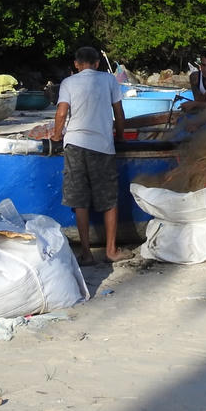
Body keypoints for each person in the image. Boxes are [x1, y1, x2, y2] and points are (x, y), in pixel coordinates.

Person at [52, 46, 131, 265]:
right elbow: (119, 112)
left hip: (75, 144)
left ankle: (86, 253)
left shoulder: (68, 83)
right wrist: (121, 136)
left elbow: (61, 113)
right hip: (103, 146)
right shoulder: (109, 80)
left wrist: (57, 135)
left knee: (80, 200)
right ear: (97, 63)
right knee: (109, 200)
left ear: (76, 64)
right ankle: (111, 251)